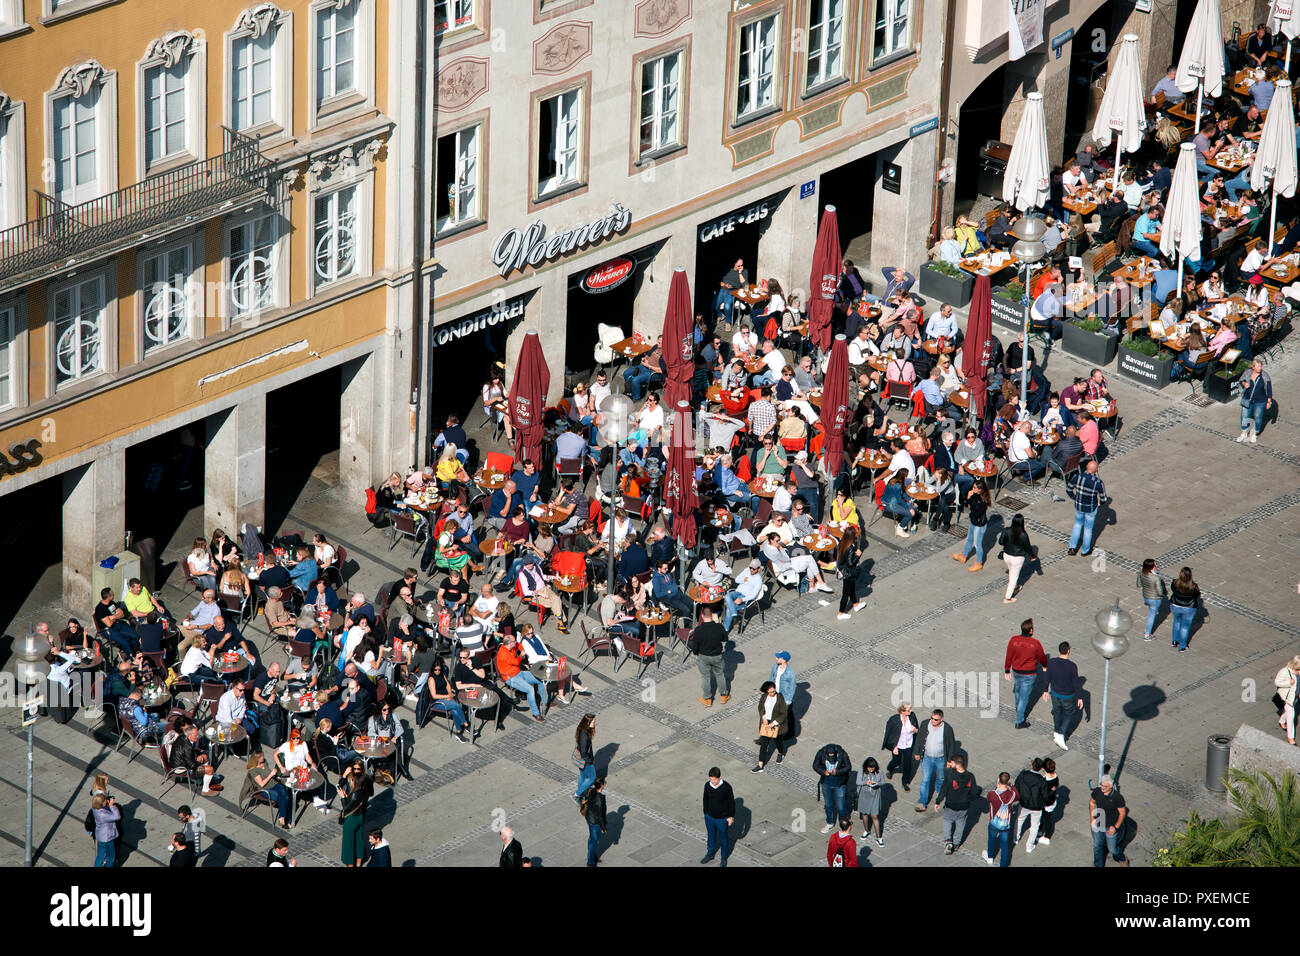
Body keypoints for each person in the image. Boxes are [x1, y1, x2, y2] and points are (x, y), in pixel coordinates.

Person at [496, 631, 549, 723]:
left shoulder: (511, 646)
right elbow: (516, 662)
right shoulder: (503, 654)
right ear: (509, 643)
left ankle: (545, 701)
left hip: (519, 672)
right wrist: (521, 655)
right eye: (514, 641)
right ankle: (536, 713)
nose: (516, 642)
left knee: (540, 679)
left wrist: (522, 650)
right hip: (510, 677)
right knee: (530, 689)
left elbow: (520, 645)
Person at [1004, 618, 1047, 729]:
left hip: (1017, 671)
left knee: (1018, 691)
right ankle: (1019, 721)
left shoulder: (1014, 640)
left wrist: (1007, 670)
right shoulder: (1035, 643)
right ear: (1031, 631)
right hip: (1029, 673)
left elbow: (1009, 655)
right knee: (1024, 697)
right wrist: (1044, 665)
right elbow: (1041, 657)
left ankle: (1018, 709)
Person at [912, 708, 955, 811]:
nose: (932, 721)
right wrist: (916, 752)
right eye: (931, 718)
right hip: (926, 757)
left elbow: (951, 745)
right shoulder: (925, 724)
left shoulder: (947, 729)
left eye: (935, 719)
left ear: (941, 719)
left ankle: (940, 791)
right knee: (925, 780)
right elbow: (919, 738)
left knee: (940, 777)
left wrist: (949, 760)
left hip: (940, 758)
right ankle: (922, 801)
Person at [1044, 641, 1083, 750]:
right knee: (1069, 714)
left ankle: (1056, 731)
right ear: (1068, 650)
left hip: (1055, 694)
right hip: (1067, 696)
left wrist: (1045, 691)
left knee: (1056, 712)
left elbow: (1047, 677)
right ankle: (1060, 734)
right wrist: (1079, 697)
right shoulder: (1072, 666)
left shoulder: (1052, 662)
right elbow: (1076, 683)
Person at [688, 607, 729, 708]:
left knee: (705, 677)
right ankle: (723, 696)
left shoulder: (698, 630)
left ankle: (708, 699)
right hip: (717, 655)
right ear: (712, 615)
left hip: (704, 656)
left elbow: (694, 645)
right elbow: (725, 639)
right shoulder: (719, 627)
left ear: (702, 616)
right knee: (720, 675)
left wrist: (696, 652)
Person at [812, 741, 853, 834]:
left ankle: (844, 825)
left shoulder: (842, 754)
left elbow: (848, 767)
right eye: (829, 756)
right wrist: (823, 771)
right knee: (828, 805)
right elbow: (815, 765)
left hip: (839, 784)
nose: (831, 757)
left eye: (832, 755)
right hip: (826, 783)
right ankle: (830, 823)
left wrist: (837, 772)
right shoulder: (821, 753)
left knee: (841, 807)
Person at [1089, 775, 1129, 867]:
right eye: (1101, 785)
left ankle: (1122, 858)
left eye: (1105, 786)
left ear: (1111, 786)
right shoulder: (1097, 791)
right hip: (1099, 823)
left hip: (1111, 826)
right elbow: (1091, 802)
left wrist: (1115, 827)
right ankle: (1098, 865)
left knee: (1112, 849)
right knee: (1097, 846)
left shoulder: (1117, 797)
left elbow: (1122, 813)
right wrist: (1092, 818)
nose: (1102, 788)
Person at [245, 751, 292, 829]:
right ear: (256, 759)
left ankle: (282, 818)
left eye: (263, 756)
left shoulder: (265, 762)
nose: (263, 758)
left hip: (274, 783)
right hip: (264, 789)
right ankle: (287, 820)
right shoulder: (253, 770)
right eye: (261, 757)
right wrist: (271, 774)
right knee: (285, 797)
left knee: (284, 795)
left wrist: (274, 772)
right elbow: (262, 784)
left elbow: (269, 773)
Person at [751, 681, 789, 774]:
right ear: (766, 691)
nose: (773, 693)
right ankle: (760, 765)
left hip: (776, 725)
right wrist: (763, 717)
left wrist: (774, 723)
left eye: (774, 691)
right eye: (771, 692)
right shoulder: (764, 697)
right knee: (764, 744)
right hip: (765, 723)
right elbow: (760, 707)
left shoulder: (779, 698)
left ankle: (780, 753)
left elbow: (784, 713)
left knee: (778, 741)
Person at [982, 772, 1019, 867]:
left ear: (998, 780)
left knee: (992, 838)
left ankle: (990, 857)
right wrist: (1012, 786)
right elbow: (1017, 795)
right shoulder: (1011, 795)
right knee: (1005, 845)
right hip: (1005, 823)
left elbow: (989, 799)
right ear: (1008, 781)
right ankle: (1003, 864)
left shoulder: (992, 794)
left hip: (994, 822)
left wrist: (997, 787)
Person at [700, 767, 735, 867]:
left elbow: (731, 803)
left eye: (714, 779)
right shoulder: (707, 785)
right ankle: (710, 854)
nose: (713, 781)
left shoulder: (726, 788)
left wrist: (731, 817)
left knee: (723, 838)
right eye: (711, 779)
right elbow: (705, 798)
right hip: (710, 817)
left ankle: (723, 858)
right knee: (710, 836)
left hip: (722, 819)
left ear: (719, 778)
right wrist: (705, 812)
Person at [1014, 758, 1050, 853]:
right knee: (1035, 826)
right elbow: (1046, 796)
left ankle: (1015, 838)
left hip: (1024, 803)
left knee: (1019, 820)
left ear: (1031, 765)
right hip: (1037, 807)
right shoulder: (1042, 781)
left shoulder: (1023, 775)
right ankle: (1029, 846)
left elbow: (1016, 786)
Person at [339, 762, 372, 867]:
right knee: (359, 840)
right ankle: (359, 862)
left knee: (348, 844)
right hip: (360, 816)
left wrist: (343, 797)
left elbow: (346, 808)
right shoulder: (363, 788)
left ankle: (350, 865)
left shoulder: (354, 795)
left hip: (351, 819)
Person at [999, 513, 1035, 604]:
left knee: (1012, 571)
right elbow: (1028, 547)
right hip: (1017, 558)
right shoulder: (1023, 534)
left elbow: (1001, 542)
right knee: (1013, 578)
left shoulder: (1007, 530)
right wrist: (1032, 556)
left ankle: (1013, 586)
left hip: (1007, 555)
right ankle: (1007, 598)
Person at [1237, 359, 1273, 442]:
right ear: (1253, 367)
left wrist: (1269, 402)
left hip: (1260, 401)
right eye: (1258, 366)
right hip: (1247, 399)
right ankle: (1244, 432)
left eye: (1261, 366)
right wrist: (1244, 384)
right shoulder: (1247, 372)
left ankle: (1254, 434)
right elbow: (1241, 380)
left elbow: (1269, 390)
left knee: (1258, 417)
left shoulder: (1264, 376)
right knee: (1245, 416)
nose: (1260, 368)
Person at [1169, 566, 1202, 652]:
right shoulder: (1193, 587)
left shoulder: (1175, 583)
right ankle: (1182, 646)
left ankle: (1174, 641)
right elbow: (1197, 595)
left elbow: (1172, 589)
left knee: (1176, 622)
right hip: (1189, 608)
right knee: (1185, 627)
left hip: (1175, 605)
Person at [579, 775, 609, 867]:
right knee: (594, 841)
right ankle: (590, 862)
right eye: (604, 783)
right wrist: (603, 827)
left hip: (589, 817)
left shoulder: (591, 790)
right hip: (595, 822)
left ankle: (591, 856)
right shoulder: (600, 798)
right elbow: (600, 815)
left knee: (591, 839)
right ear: (602, 785)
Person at [1273, 655, 1300, 746]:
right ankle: (1290, 737)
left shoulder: (1299, 672)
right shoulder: (1285, 671)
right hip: (1288, 698)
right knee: (1291, 716)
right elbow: (1277, 682)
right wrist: (1289, 683)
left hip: (1295, 697)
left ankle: (1281, 721)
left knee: (1287, 712)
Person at [90, 794, 121, 867]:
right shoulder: (102, 814)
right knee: (110, 857)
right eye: (104, 801)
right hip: (107, 838)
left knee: (100, 856)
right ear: (101, 803)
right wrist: (111, 805)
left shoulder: (95, 810)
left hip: (101, 836)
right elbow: (117, 816)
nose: (106, 802)